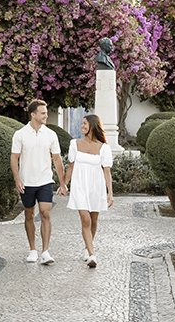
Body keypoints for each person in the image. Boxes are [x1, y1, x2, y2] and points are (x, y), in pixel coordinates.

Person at [10, 98, 66, 264]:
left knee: (45, 213)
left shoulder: (51, 135)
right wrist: (17, 178)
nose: (46, 116)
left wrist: (62, 182)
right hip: (26, 182)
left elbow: (57, 160)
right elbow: (14, 158)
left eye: (46, 113)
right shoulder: (20, 134)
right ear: (33, 114)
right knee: (28, 214)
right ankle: (32, 250)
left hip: (45, 181)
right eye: (42, 113)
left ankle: (45, 252)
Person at [62, 113, 114, 268]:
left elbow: (107, 172)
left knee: (94, 219)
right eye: (82, 124)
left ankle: (87, 247)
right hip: (79, 186)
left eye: (85, 124)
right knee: (85, 219)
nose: (82, 126)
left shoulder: (104, 148)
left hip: (96, 187)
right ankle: (92, 254)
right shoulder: (74, 144)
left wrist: (110, 193)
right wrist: (64, 184)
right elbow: (70, 167)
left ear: (93, 126)